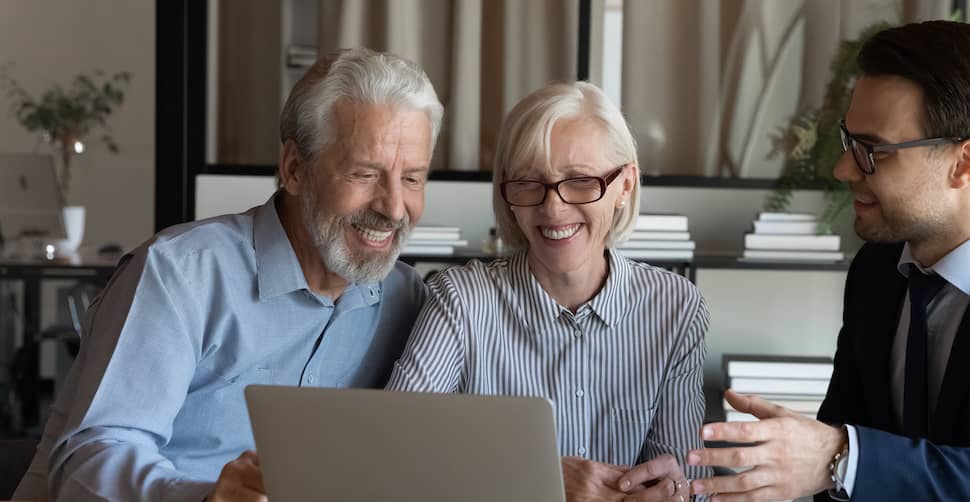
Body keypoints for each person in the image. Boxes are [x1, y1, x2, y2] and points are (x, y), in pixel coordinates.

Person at [686, 20, 970, 501]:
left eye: (874, 152)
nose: (843, 168)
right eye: (849, 142)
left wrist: (839, 456)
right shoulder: (877, 272)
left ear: (966, 163)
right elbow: (837, 470)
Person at [13, 48, 444, 502]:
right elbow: (88, 461)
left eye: (413, 179)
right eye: (365, 174)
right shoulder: (179, 275)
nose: (394, 207)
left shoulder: (405, 299)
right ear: (295, 169)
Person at [386, 81, 710, 502]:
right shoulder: (460, 300)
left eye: (579, 181)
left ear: (624, 185)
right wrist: (537, 477)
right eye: (528, 183)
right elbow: (393, 451)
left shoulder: (676, 308)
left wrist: (677, 492)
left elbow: (688, 480)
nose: (553, 208)